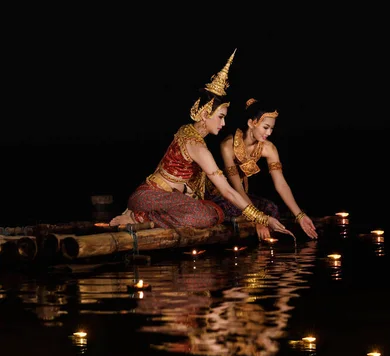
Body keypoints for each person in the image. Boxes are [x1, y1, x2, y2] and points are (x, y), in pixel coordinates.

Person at [109, 50, 291, 237]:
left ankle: (143, 216)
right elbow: (227, 190)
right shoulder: (196, 145)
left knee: (211, 211)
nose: (223, 123)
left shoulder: (187, 130)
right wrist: (262, 218)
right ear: (205, 114)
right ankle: (139, 218)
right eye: (220, 117)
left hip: (157, 200)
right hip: (149, 198)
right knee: (207, 216)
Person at [207, 97, 318, 240]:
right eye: (266, 127)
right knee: (234, 209)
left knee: (271, 208)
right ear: (251, 123)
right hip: (224, 194)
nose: (269, 133)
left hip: (243, 197)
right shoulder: (228, 145)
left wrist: (300, 215)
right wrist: (258, 219)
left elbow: (281, 184)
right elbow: (237, 188)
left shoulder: (269, 148)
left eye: (272, 128)